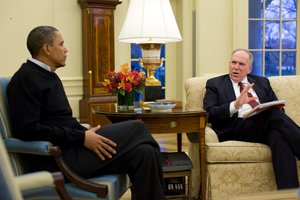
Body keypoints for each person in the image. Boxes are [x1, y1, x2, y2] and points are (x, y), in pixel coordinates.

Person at [7, 26, 165, 200]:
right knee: (138, 127)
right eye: (61, 44)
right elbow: (29, 129)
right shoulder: (25, 79)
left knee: (144, 153)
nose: (66, 49)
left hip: (72, 148)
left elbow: (61, 121)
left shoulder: (48, 75)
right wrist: (81, 138)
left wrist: (85, 133)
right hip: (56, 158)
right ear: (47, 48)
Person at [203, 48, 300, 190]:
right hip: (234, 128)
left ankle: (290, 193)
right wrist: (235, 105)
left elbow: (279, 109)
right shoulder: (215, 84)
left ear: (249, 68)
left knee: (278, 136)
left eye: (241, 64)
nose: (236, 67)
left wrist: (264, 110)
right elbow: (209, 113)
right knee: (273, 115)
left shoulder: (262, 82)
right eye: (233, 62)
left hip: (262, 128)